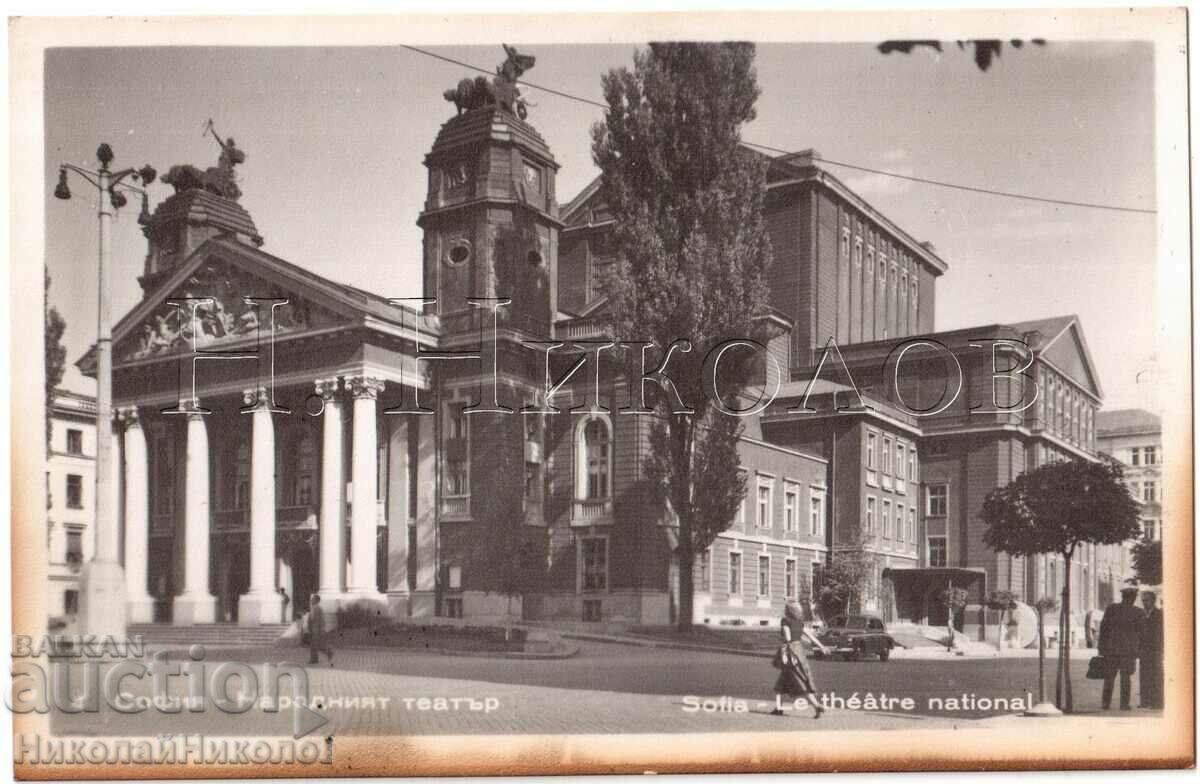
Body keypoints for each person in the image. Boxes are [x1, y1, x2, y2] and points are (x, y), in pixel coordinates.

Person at [772, 601, 829, 719]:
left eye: (786, 609)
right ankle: (779, 708)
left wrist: (783, 641)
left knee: (800, 681)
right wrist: (822, 647)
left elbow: (787, 638)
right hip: (799, 651)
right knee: (781, 684)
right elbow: (811, 637)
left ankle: (816, 705)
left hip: (790, 651)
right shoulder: (800, 623)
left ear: (788, 610)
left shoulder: (785, 621)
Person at [1098, 586, 1142, 710]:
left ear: (1123, 597)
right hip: (1128, 652)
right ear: (1133, 598)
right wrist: (1138, 650)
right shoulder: (1138, 612)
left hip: (1111, 650)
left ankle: (1105, 704)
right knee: (1125, 678)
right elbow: (1142, 633)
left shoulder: (1111, 609)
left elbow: (1103, 629)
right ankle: (1124, 704)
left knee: (1109, 677)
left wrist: (1101, 647)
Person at [1138, 591, 1163, 709]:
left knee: (1155, 675)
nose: (1144, 603)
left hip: (1155, 649)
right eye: (1143, 600)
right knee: (1144, 674)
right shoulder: (1141, 614)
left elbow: (1161, 633)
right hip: (1143, 649)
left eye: (1146, 600)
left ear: (1153, 600)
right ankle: (1145, 701)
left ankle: (1157, 702)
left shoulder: (1159, 614)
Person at [307, 594, 334, 666]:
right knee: (313, 645)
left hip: (317, 630)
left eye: (312, 599)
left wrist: (322, 630)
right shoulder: (312, 608)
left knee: (318, 645)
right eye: (311, 599)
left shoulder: (319, 608)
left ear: (316, 600)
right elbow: (310, 619)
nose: (311, 600)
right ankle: (314, 659)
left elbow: (322, 620)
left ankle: (329, 652)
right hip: (313, 629)